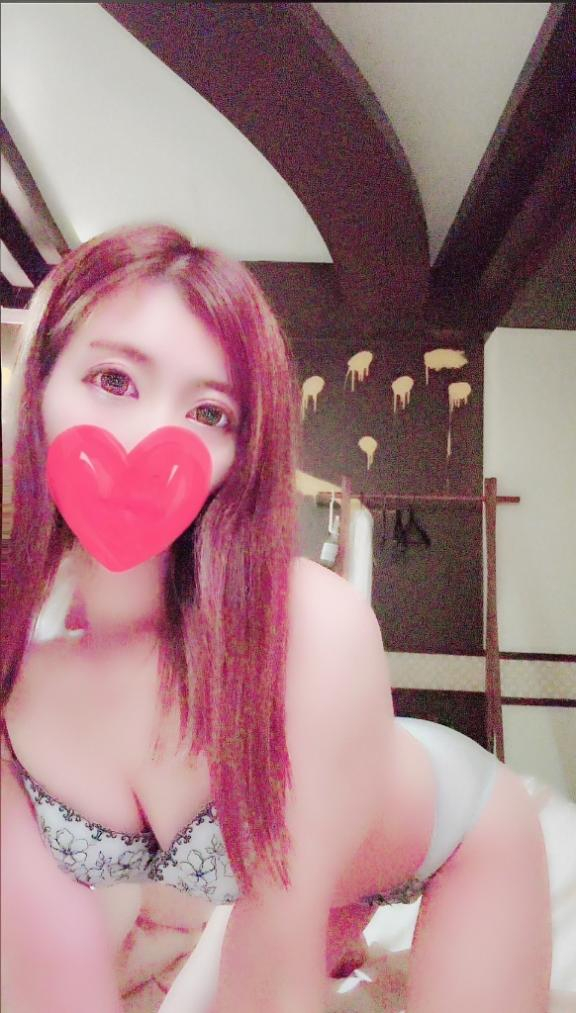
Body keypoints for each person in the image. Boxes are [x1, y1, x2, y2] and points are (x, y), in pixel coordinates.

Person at [1, 224, 551, 1013]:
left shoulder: (311, 629)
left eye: (210, 412)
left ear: (242, 453)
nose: (153, 434)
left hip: (455, 834)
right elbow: (48, 977)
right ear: (39, 385)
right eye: (114, 379)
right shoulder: (17, 672)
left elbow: (269, 973)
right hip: (298, 867)